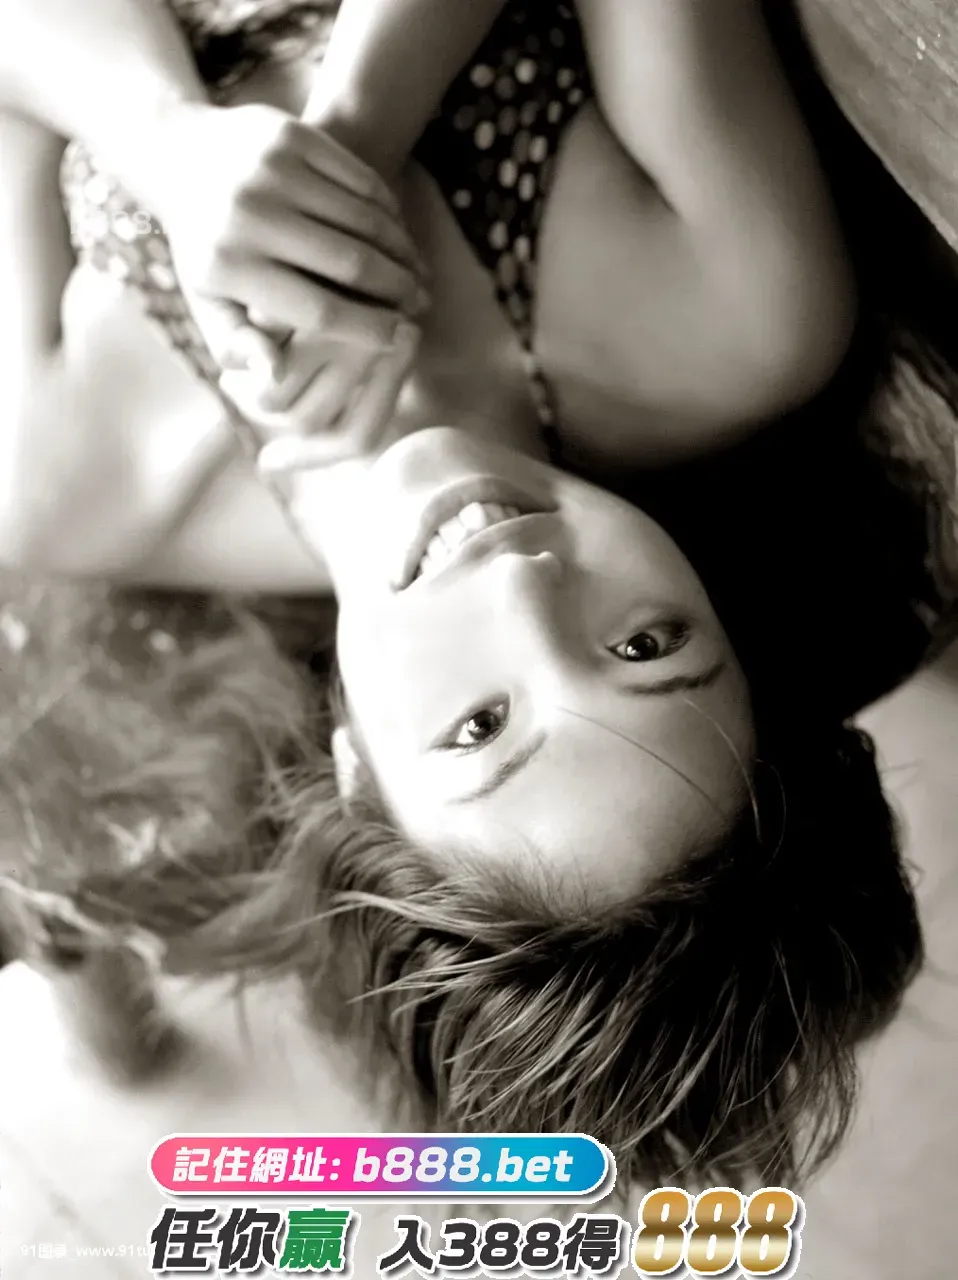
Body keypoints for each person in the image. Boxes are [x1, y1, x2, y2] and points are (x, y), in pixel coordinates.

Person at [0, 0, 924, 1193]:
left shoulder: (71, 486)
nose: (525, 589)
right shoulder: (741, 320)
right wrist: (358, 131)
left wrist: (168, 142)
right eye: (648, 643)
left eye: (482, 725)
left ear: (356, 772)